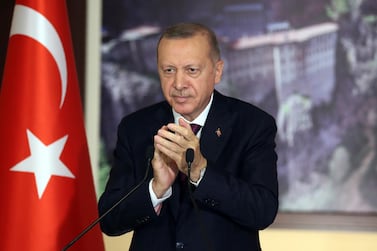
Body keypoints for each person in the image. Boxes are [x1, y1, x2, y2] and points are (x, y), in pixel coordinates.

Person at [98, 22, 279, 251]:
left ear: (217, 71)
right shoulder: (136, 127)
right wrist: (156, 189)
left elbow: (262, 211)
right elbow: (109, 219)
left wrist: (200, 172)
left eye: (191, 70)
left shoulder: (252, 124)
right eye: (169, 70)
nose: (179, 84)